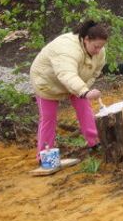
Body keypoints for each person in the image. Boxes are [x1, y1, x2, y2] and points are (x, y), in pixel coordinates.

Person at [30, 20, 107, 161]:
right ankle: (44, 156)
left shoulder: (99, 52)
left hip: (74, 81)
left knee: (84, 107)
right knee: (48, 118)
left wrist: (83, 89)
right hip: (47, 81)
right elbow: (66, 74)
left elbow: (94, 72)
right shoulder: (67, 49)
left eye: (101, 47)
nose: (98, 51)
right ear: (86, 39)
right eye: (96, 47)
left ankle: (95, 142)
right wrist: (84, 91)